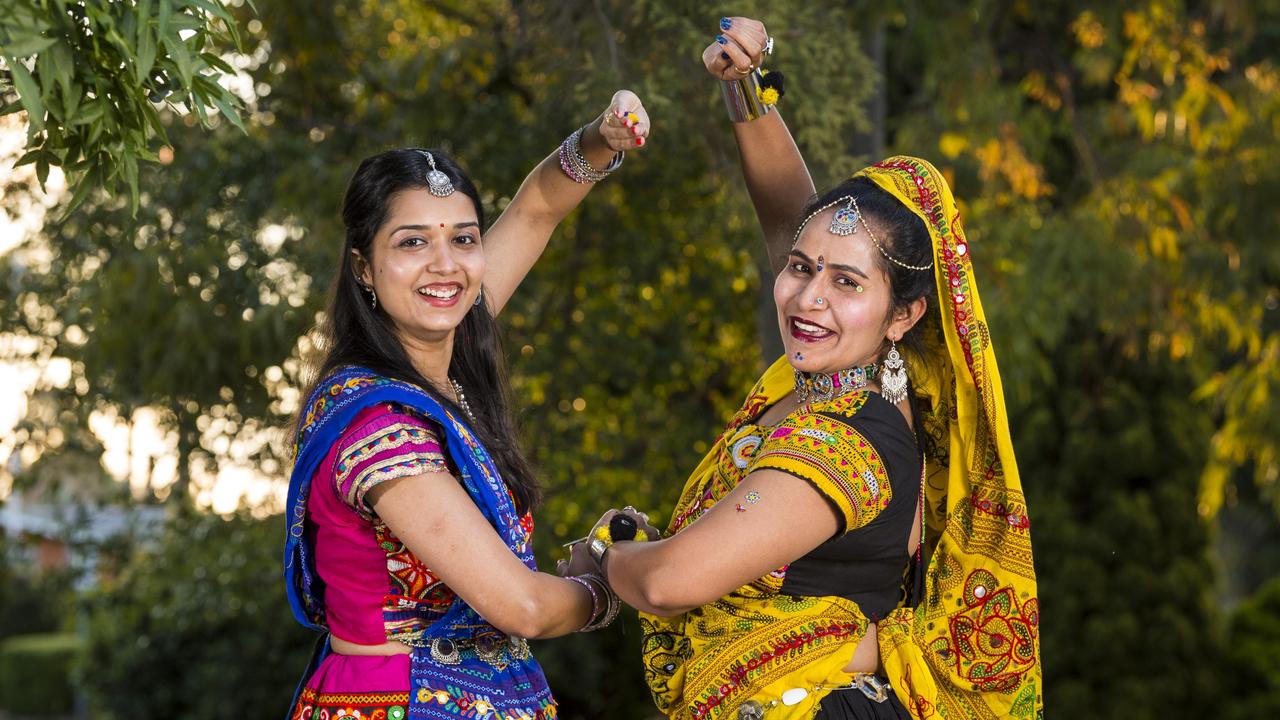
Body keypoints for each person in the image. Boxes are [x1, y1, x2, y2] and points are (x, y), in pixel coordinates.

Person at [568, 19, 1042, 720]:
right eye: (799, 269)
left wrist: (606, 554)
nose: (807, 296)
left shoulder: (851, 442)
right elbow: (789, 215)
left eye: (846, 283)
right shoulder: (824, 378)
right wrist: (745, 88)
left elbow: (672, 582)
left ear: (904, 317)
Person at [282, 91, 652, 720]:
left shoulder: (451, 356)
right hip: (398, 702)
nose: (445, 264)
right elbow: (525, 607)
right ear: (364, 268)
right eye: (412, 243)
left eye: (464, 238)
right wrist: (612, 584)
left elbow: (535, 209)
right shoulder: (378, 426)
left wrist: (600, 138)